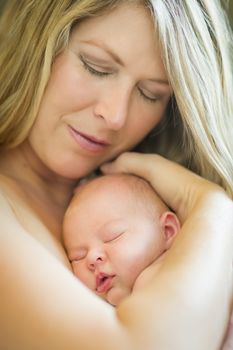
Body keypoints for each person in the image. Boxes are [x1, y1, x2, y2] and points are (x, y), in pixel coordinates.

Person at [0, 1, 232, 350]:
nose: (116, 115)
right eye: (97, 67)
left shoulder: (145, 201)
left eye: (149, 94)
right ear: (36, 43)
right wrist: (211, 204)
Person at [63, 174, 180, 306]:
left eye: (113, 236)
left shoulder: (181, 268)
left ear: (167, 230)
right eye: (78, 257)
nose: (91, 258)